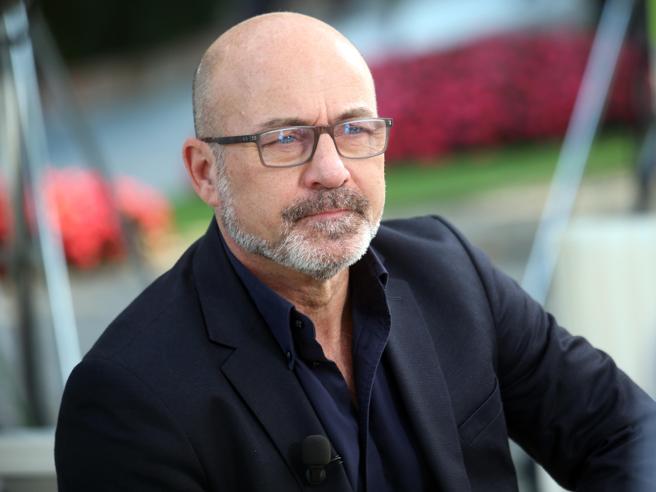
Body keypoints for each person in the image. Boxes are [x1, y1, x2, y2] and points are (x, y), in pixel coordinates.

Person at [54, 12, 656, 492]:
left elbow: (627, 434)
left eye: (355, 129)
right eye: (284, 138)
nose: (332, 170)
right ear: (205, 172)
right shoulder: (128, 396)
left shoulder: (450, 269)